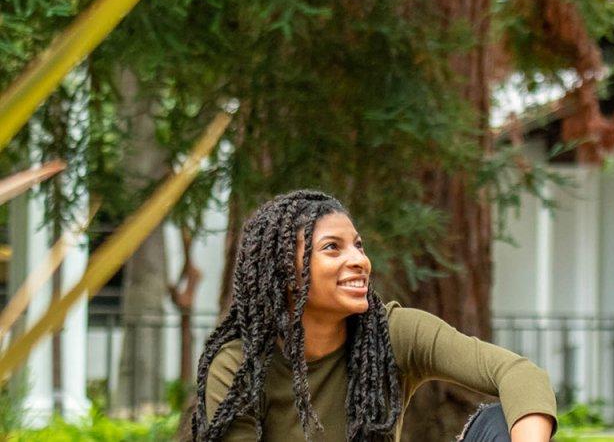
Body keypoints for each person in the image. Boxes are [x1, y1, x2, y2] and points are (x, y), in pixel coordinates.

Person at [191, 189, 557, 441]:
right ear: (286, 272)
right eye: (332, 248)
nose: (359, 260)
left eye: (358, 246)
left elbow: (519, 374)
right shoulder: (239, 368)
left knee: (499, 424)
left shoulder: (393, 332)